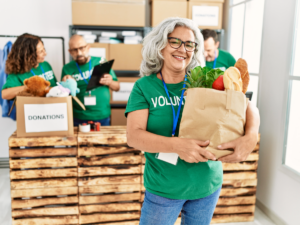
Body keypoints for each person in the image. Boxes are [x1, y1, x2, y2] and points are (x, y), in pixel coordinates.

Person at [126, 18, 260, 225]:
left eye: (189, 44)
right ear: (160, 44)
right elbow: (134, 136)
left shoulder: (204, 79)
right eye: (175, 41)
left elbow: (246, 104)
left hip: (207, 185)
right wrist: (177, 145)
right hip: (163, 189)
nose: (183, 49)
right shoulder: (144, 87)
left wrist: (251, 136)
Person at [61, 35, 120, 126]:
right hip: (78, 117)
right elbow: (63, 95)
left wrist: (110, 82)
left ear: (88, 47)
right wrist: (64, 86)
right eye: (74, 50)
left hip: (102, 115)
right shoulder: (67, 68)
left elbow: (117, 87)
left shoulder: (101, 61)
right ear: (70, 51)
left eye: (82, 48)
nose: (79, 53)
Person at [2, 33, 57, 100]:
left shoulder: (46, 65)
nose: (45, 53)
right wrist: (28, 87)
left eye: (44, 49)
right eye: (40, 52)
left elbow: (55, 87)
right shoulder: (18, 71)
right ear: (29, 55)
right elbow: (4, 94)